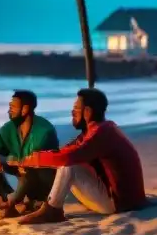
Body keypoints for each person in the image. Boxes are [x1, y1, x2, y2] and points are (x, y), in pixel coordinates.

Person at [9, 88, 146, 225]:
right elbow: (63, 152)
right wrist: (27, 161)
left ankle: (52, 210)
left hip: (120, 204)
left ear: (88, 111)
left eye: (76, 108)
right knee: (63, 161)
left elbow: (67, 157)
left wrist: (29, 160)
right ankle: (45, 202)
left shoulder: (102, 133)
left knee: (69, 165)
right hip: (126, 201)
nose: (72, 112)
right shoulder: (97, 131)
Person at [0, 90, 59, 218]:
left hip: (40, 175)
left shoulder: (44, 131)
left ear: (25, 109)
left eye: (13, 107)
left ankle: (26, 201)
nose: (9, 111)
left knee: (28, 170)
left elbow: (33, 160)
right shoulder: (9, 128)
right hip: (21, 168)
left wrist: (14, 160)